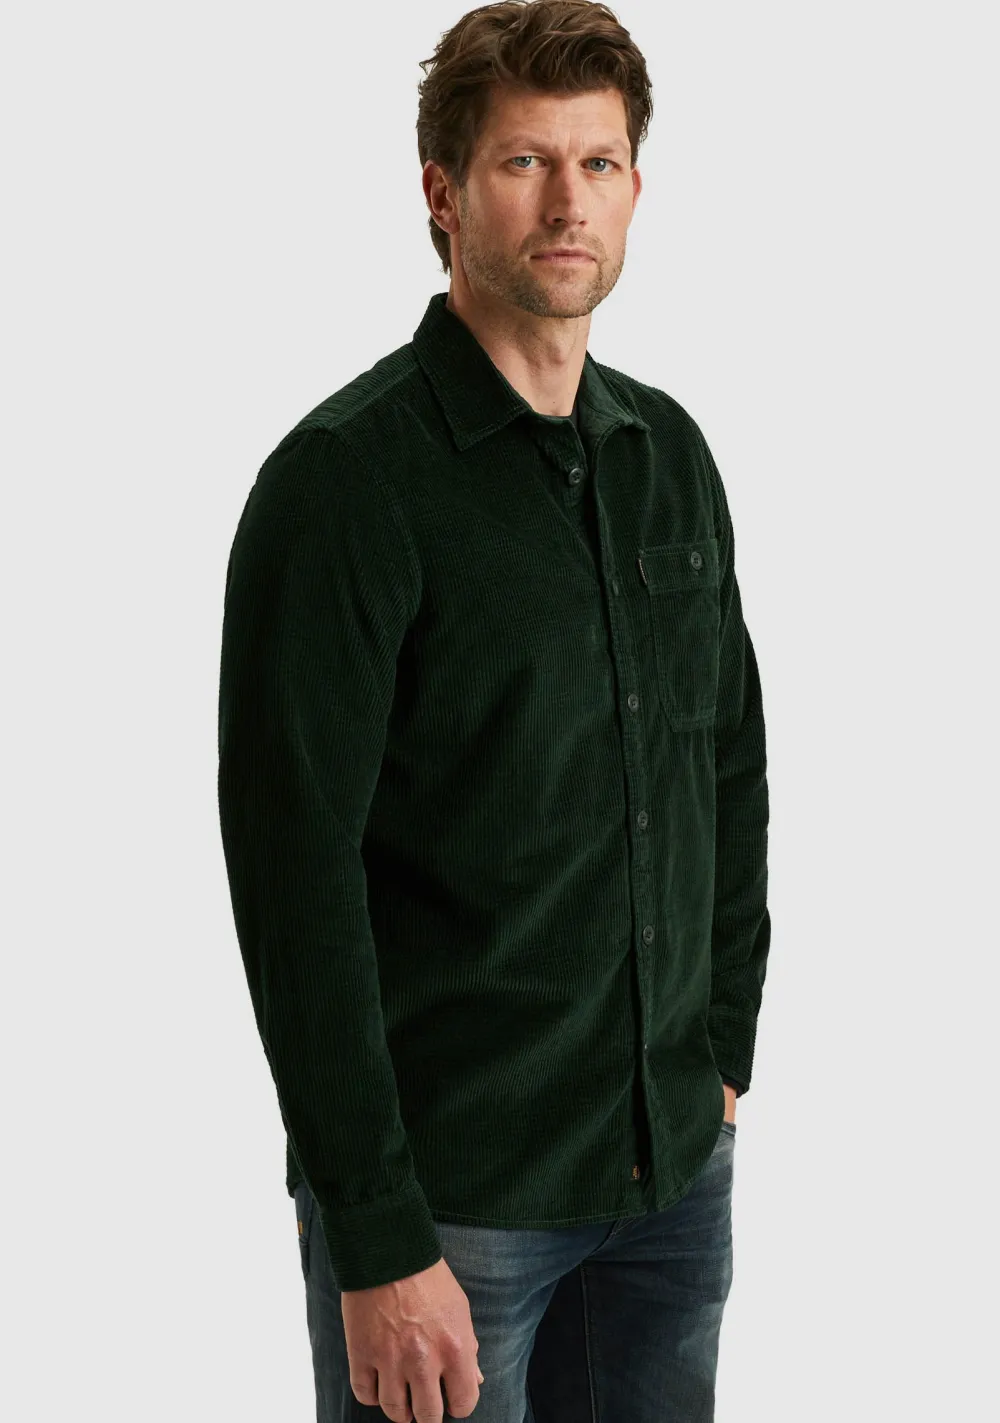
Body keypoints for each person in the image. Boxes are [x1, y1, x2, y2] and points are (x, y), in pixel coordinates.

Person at [217, 3, 770, 1420]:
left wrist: (720, 1049)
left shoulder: (667, 454)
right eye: (526, 161)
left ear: (636, 186)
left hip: (669, 1179)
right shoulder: (345, 486)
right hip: (454, 1209)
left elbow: (728, 762)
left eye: (599, 162)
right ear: (444, 192)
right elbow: (295, 879)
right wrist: (377, 1234)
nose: (569, 200)